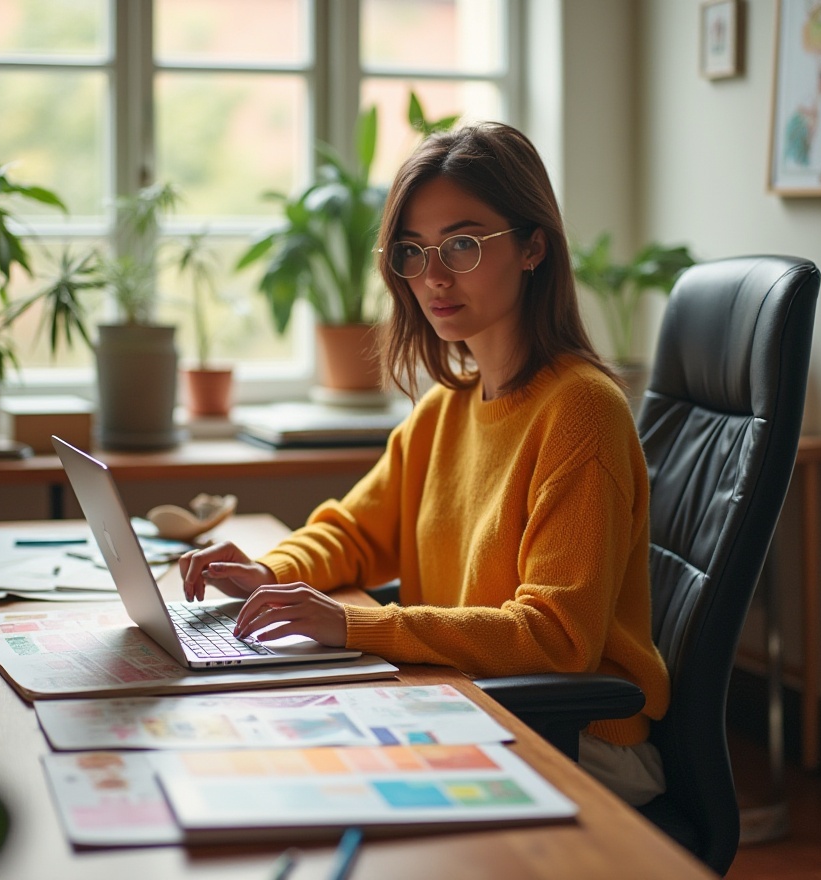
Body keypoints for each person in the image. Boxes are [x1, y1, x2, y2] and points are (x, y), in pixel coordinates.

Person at [179, 122, 670, 805]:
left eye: (463, 245)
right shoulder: (448, 407)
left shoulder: (581, 411)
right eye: (413, 252)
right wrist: (270, 572)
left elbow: (558, 640)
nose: (433, 277)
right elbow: (356, 532)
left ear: (533, 247)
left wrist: (351, 624)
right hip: (474, 702)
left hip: (575, 741)